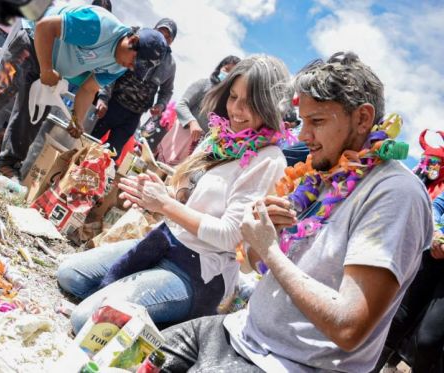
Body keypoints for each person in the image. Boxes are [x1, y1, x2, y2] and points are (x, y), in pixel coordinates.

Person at [159, 51, 433, 373]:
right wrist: (259, 235)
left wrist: (269, 250)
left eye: (316, 121)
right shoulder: (319, 176)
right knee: (125, 348)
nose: (303, 136)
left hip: (286, 365)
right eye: (302, 121)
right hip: (237, 332)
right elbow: (254, 263)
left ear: (362, 118)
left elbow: (349, 326)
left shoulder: (395, 193)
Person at [57, 55, 293, 333]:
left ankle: (174, 319)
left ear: (268, 103)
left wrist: (166, 205)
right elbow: (184, 198)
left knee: (85, 320)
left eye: (249, 102)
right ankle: (148, 305)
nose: (236, 110)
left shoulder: (268, 159)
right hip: (164, 243)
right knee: (70, 275)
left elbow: (230, 236)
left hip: (198, 272)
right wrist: (155, 196)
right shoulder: (219, 137)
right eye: (232, 97)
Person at [0, 4, 168, 178]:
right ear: (133, 41)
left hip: (51, 68)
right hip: (33, 41)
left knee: (31, 117)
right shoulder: (99, 27)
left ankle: (6, 166)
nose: (131, 68)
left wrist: (77, 119)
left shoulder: (118, 66)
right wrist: (45, 69)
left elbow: (89, 88)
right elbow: (45, 26)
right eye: (134, 62)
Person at [373, 190, 444, 373]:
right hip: (432, 255)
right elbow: (436, 205)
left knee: (427, 340)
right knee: (396, 320)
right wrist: (435, 231)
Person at [90, 18, 177, 156]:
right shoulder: (136, 47)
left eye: (168, 37)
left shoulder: (170, 65)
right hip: (111, 105)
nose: (163, 38)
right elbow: (112, 71)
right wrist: (103, 97)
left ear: (171, 42)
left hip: (133, 115)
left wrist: (160, 105)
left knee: (110, 155)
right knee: (88, 143)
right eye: (160, 32)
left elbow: (167, 91)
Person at [156, 55, 240, 166]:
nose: (227, 74)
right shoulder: (204, 84)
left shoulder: (229, 100)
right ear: (220, 68)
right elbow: (181, 105)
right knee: (160, 170)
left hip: (200, 149)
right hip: (181, 138)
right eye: (226, 69)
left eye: (232, 73)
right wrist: (192, 122)